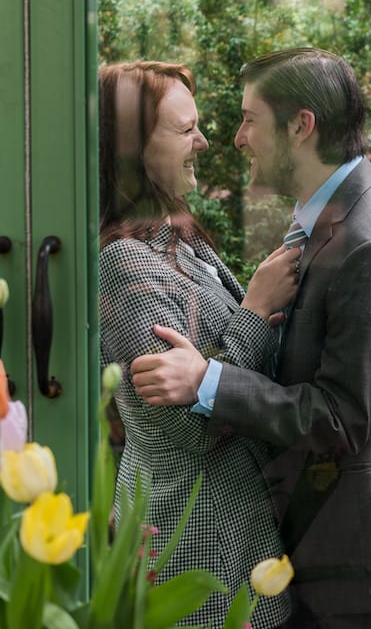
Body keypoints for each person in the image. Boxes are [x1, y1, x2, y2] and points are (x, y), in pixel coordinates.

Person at [130, 48, 371, 629]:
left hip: (342, 558)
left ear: (300, 126)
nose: (236, 139)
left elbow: (342, 419)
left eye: (248, 119)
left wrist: (207, 380)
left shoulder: (362, 243)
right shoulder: (325, 220)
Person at [98, 61, 299, 629]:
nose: (204, 142)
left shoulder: (175, 241)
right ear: (132, 149)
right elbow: (190, 428)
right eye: (186, 130)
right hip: (194, 552)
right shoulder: (123, 263)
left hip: (236, 538)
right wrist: (255, 310)